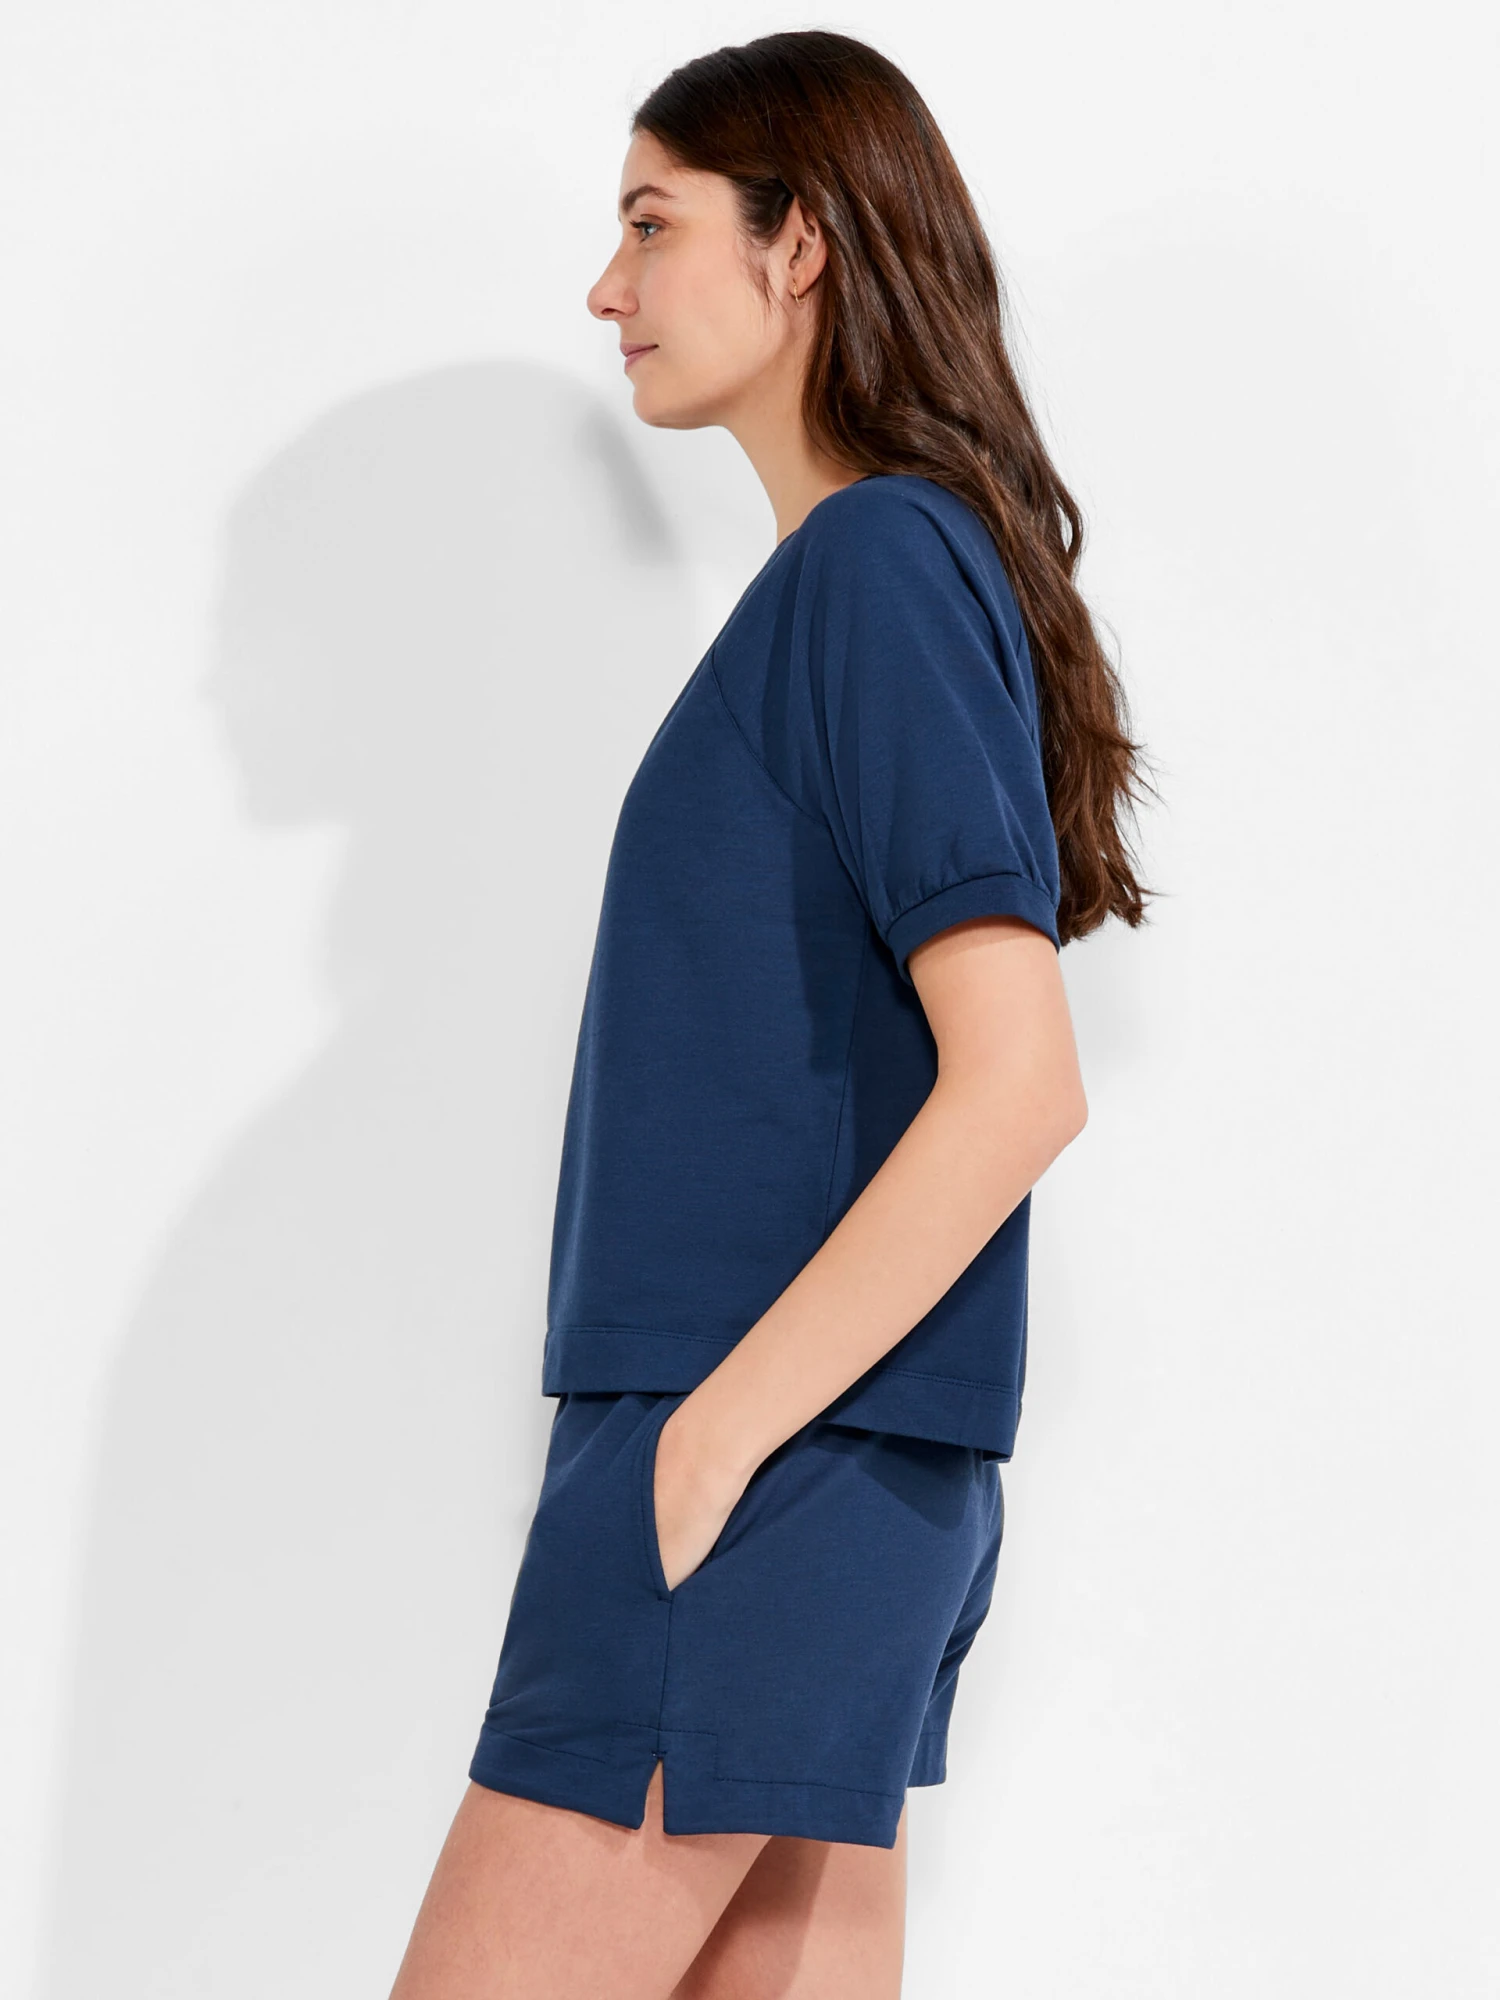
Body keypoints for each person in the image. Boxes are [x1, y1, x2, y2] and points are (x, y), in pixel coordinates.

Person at [390, 28, 1151, 2000]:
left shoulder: (876, 569)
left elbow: (1020, 1077)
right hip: (847, 1479)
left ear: (798, 242)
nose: (608, 287)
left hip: (757, 1458)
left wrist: (715, 1436)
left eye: (652, 225)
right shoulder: (894, 571)